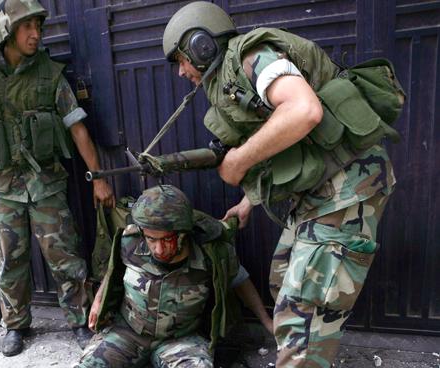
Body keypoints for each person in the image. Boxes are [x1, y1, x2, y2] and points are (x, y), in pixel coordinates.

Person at [162, 2, 400, 367]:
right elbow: (278, 141)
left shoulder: (253, 57)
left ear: (201, 45)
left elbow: (304, 111)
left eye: (181, 59)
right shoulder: (230, 78)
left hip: (347, 187)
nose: (181, 72)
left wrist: (238, 161)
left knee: (300, 312)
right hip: (318, 194)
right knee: (282, 280)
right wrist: (247, 200)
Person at [0, 0, 115, 357]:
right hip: (4, 188)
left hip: (46, 185)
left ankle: (78, 318)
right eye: (27, 27)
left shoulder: (50, 74)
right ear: (6, 31)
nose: (36, 34)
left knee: (65, 257)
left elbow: (78, 129)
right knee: (9, 260)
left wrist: (99, 177)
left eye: (38, 27)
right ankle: (15, 325)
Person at [78, 184, 273, 367]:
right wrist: (99, 300)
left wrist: (267, 322)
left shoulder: (211, 254)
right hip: (127, 333)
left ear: (182, 232)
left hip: (181, 339)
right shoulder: (129, 241)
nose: (158, 248)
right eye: (151, 239)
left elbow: (241, 281)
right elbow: (114, 270)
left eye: (167, 239)